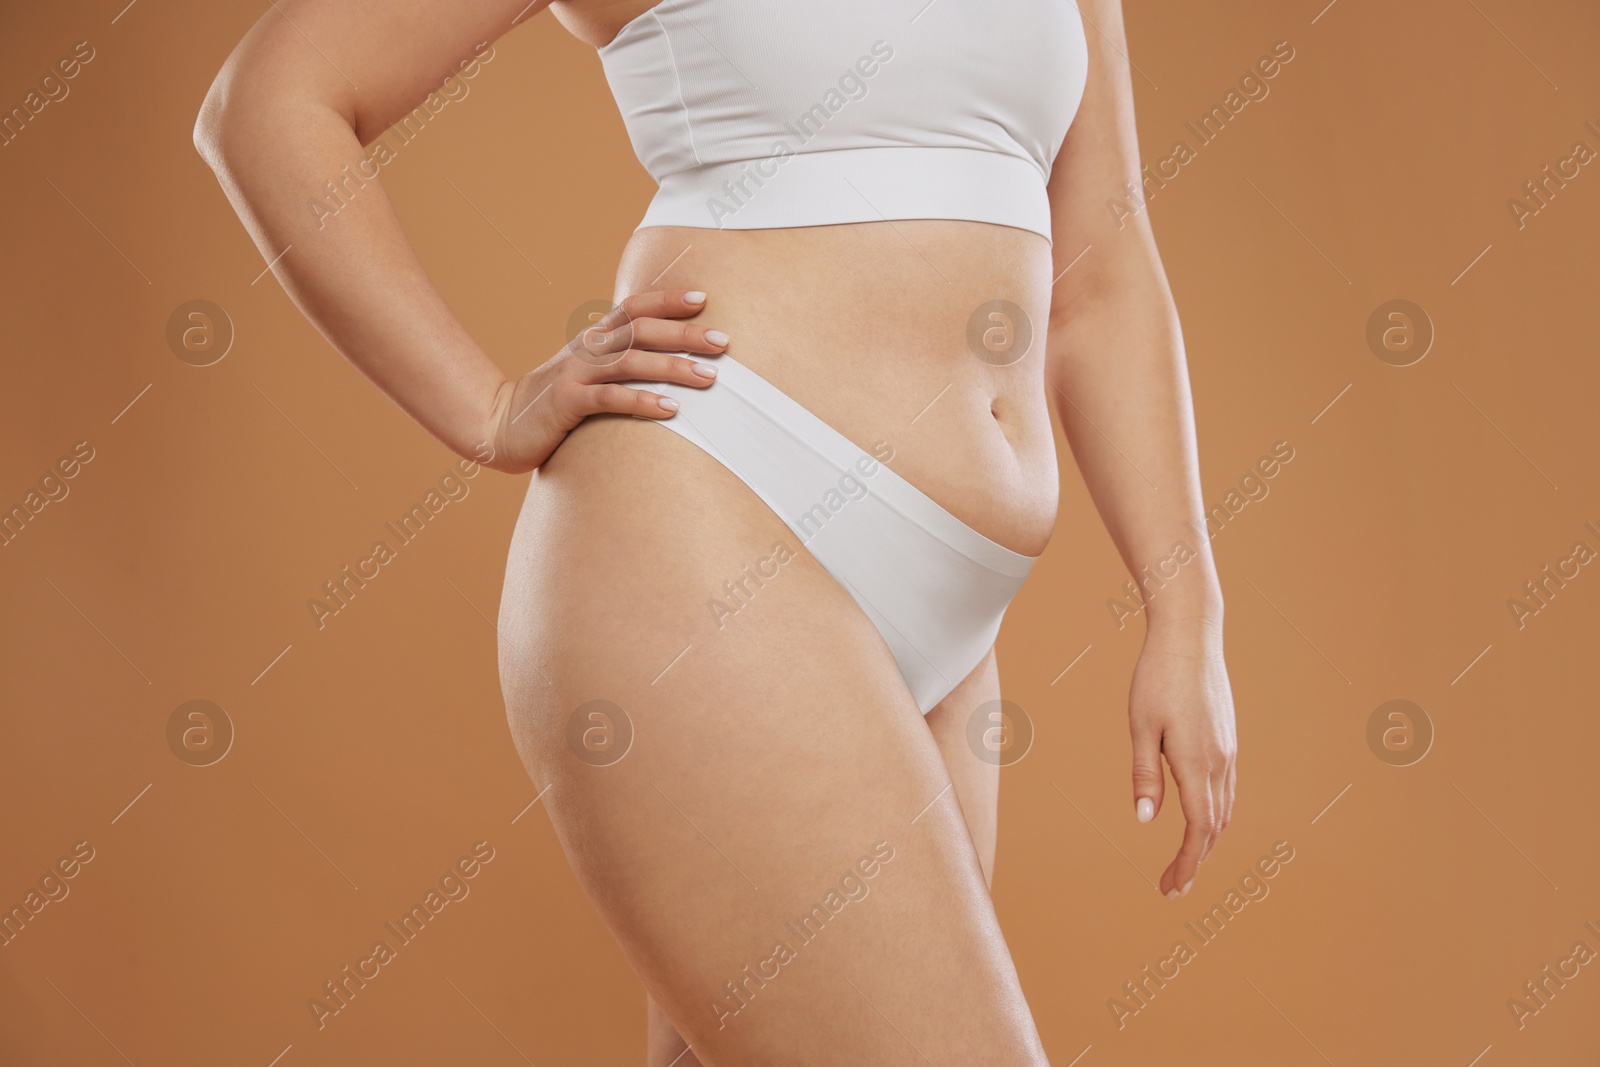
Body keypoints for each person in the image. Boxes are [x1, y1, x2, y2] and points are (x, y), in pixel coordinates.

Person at [195, 1, 1237, 1062]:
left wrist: (1185, 609)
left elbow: (1102, 279)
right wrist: (489, 405)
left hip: (953, 615)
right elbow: (271, 103)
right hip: (719, 523)